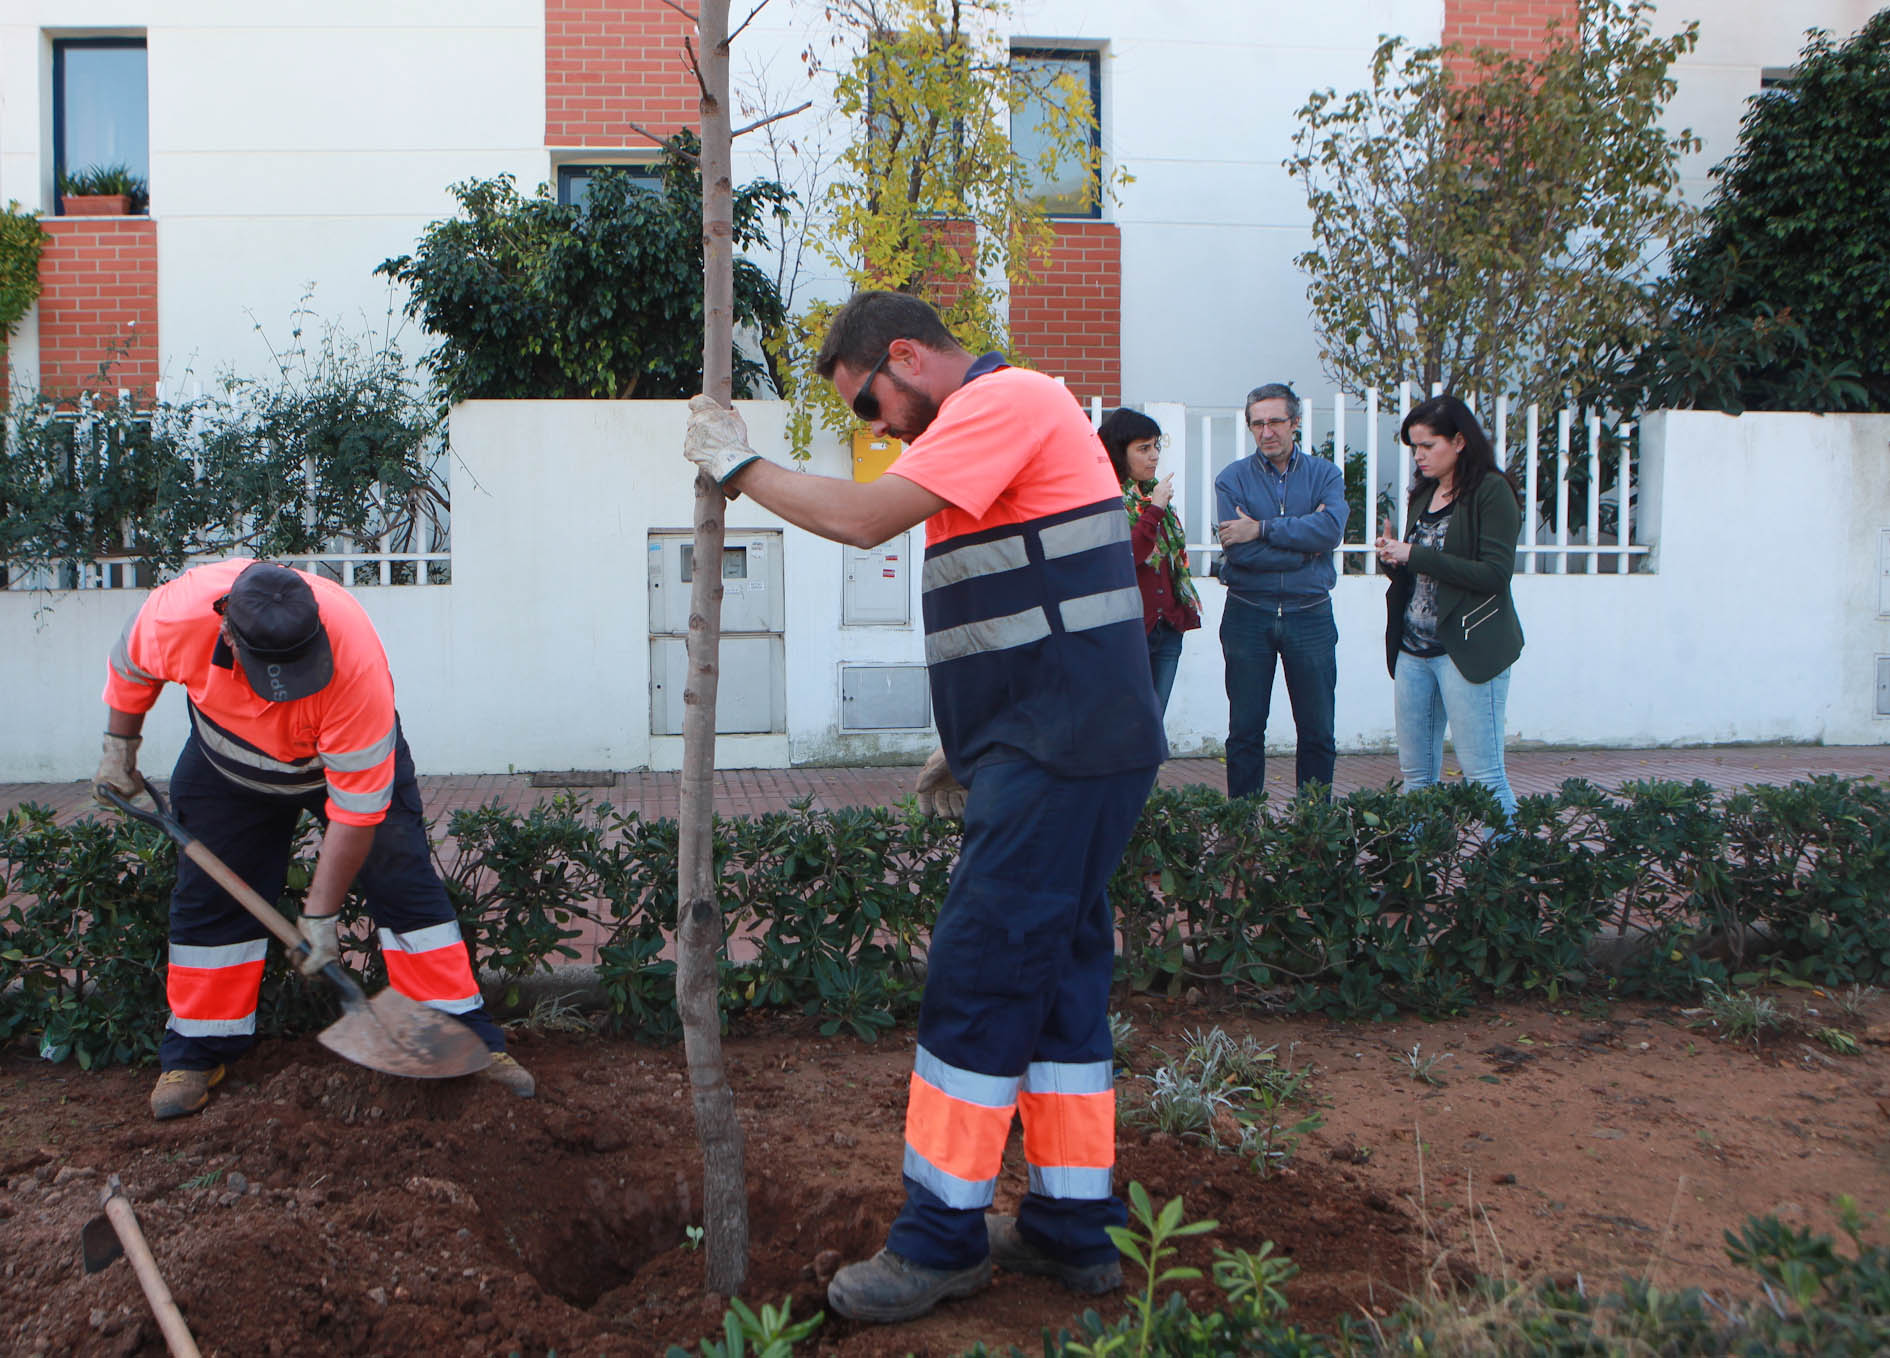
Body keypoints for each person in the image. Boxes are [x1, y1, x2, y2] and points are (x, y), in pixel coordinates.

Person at [683, 290, 1165, 1326]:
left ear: (907, 354)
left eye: (872, 404)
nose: (881, 429)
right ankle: (1074, 1226)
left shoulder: (1005, 399)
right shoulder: (995, 434)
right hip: (1058, 743)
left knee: (981, 969)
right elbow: (1030, 598)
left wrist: (737, 465)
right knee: (1060, 972)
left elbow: (860, 523)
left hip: (1061, 749)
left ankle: (942, 1235)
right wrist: (973, 736)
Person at [93, 558, 534, 1119]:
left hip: (332, 767)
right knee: (209, 904)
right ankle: (198, 1051)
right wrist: (118, 751)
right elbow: (130, 668)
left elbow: (357, 812)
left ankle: (464, 1036)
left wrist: (321, 917)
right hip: (224, 769)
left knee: (404, 885)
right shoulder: (174, 616)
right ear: (225, 628)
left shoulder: (355, 659)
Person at [1373, 394, 1524, 823]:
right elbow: (1419, 573)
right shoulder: (1423, 494)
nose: (1419, 456)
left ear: (1459, 441)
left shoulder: (1491, 491)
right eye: (1414, 447)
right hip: (1413, 651)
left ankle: (1508, 876)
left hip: (1468, 650)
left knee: (1484, 774)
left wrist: (1413, 555)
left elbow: (1495, 575)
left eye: (1428, 445)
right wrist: (1393, 561)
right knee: (1417, 776)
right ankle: (1418, 880)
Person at [1212, 383, 1348, 799]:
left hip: (1310, 615)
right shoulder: (1231, 479)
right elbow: (1241, 553)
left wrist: (1262, 528)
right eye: (1257, 423)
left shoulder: (1326, 474)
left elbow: (1331, 531)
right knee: (1245, 732)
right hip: (1248, 614)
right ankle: (1244, 833)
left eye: (1275, 421)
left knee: (1318, 732)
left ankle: (1313, 833)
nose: (1266, 431)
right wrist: (1306, 550)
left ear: (1295, 423)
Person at [1096, 408, 1200, 712]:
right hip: (1129, 631)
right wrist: (1154, 510)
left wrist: (1156, 508)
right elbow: (1127, 558)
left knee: (1154, 726)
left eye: (1156, 446)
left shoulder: (1152, 498)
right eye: (1143, 448)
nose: (1154, 456)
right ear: (1119, 452)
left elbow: (1170, 561)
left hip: (1166, 625)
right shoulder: (1107, 501)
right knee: (1126, 725)